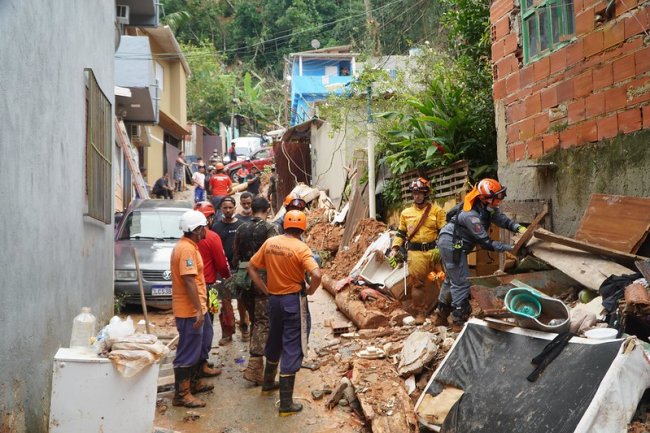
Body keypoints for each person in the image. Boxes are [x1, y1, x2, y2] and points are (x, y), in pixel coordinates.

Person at [248, 210, 321, 416]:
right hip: (292, 301)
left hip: (274, 300)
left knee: (274, 339)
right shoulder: (301, 248)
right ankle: (286, 404)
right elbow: (317, 274)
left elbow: (252, 268)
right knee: (293, 344)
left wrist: (265, 289)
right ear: (303, 228)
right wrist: (311, 290)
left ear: (284, 225)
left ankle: (268, 383)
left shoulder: (271, 243)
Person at [435, 178, 526, 331]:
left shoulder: (486, 208)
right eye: (497, 198)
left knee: (451, 278)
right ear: (484, 198)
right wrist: (510, 247)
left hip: (454, 242)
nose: (499, 202)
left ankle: (441, 314)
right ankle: (458, 319)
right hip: (450, 243)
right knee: (461, 281)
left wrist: (518, 228)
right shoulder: (471, 216)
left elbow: (501, 219)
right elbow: (486, 243)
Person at [170, 210, 215, 408]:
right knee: (187, 351)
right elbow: (189, 280)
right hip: (189, 310)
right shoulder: (186, 250)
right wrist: (198, 309)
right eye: (204, 227)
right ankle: (182, 395)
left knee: (197, 346)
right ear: (197, 230)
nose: (206, 229)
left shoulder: (189, 246)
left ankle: (193, 384)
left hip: (195, 307)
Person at [232, 197, 279, 385]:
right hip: (263, 278)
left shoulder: (241, 228)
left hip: (244, 279)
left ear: (251, 208)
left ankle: (257, 367)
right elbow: (274, 255)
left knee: (255, 320)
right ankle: (254, 365)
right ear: (268, 209)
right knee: (263, 321)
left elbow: (235, 257)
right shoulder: (269, 228)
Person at [389, 178, 446, 325]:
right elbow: (401, 233)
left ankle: (444, 313)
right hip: (416, 254)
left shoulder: (437, 211)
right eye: (414, 193)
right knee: (418, 284)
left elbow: (444, 231)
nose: (417, 196)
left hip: (435, 251)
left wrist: (442, 248)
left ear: (426, 193)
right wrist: (395, 248)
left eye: (420, 192)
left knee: (444, 281)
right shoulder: (406, 213)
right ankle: (421, 313)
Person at [194, 201, 231, 365]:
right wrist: (227, 277)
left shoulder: (186, 239)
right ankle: (201, 361)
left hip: (192, 287)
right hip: (212, 287)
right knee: (209, 321)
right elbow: (222, 264)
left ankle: (198, 358)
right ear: (209, 218)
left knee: (197, 322)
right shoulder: (212, 236)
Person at [212, 196, 249, 344]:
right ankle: (227, 333)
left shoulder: (242, 226)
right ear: (221, 209)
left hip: (240, 269)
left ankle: (245, 327)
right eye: (225, 208)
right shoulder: (216, 227)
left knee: (242, 301)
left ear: (235, 208)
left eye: (230, 208)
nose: (227, 210)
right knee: (225, 302)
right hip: (222, 269)